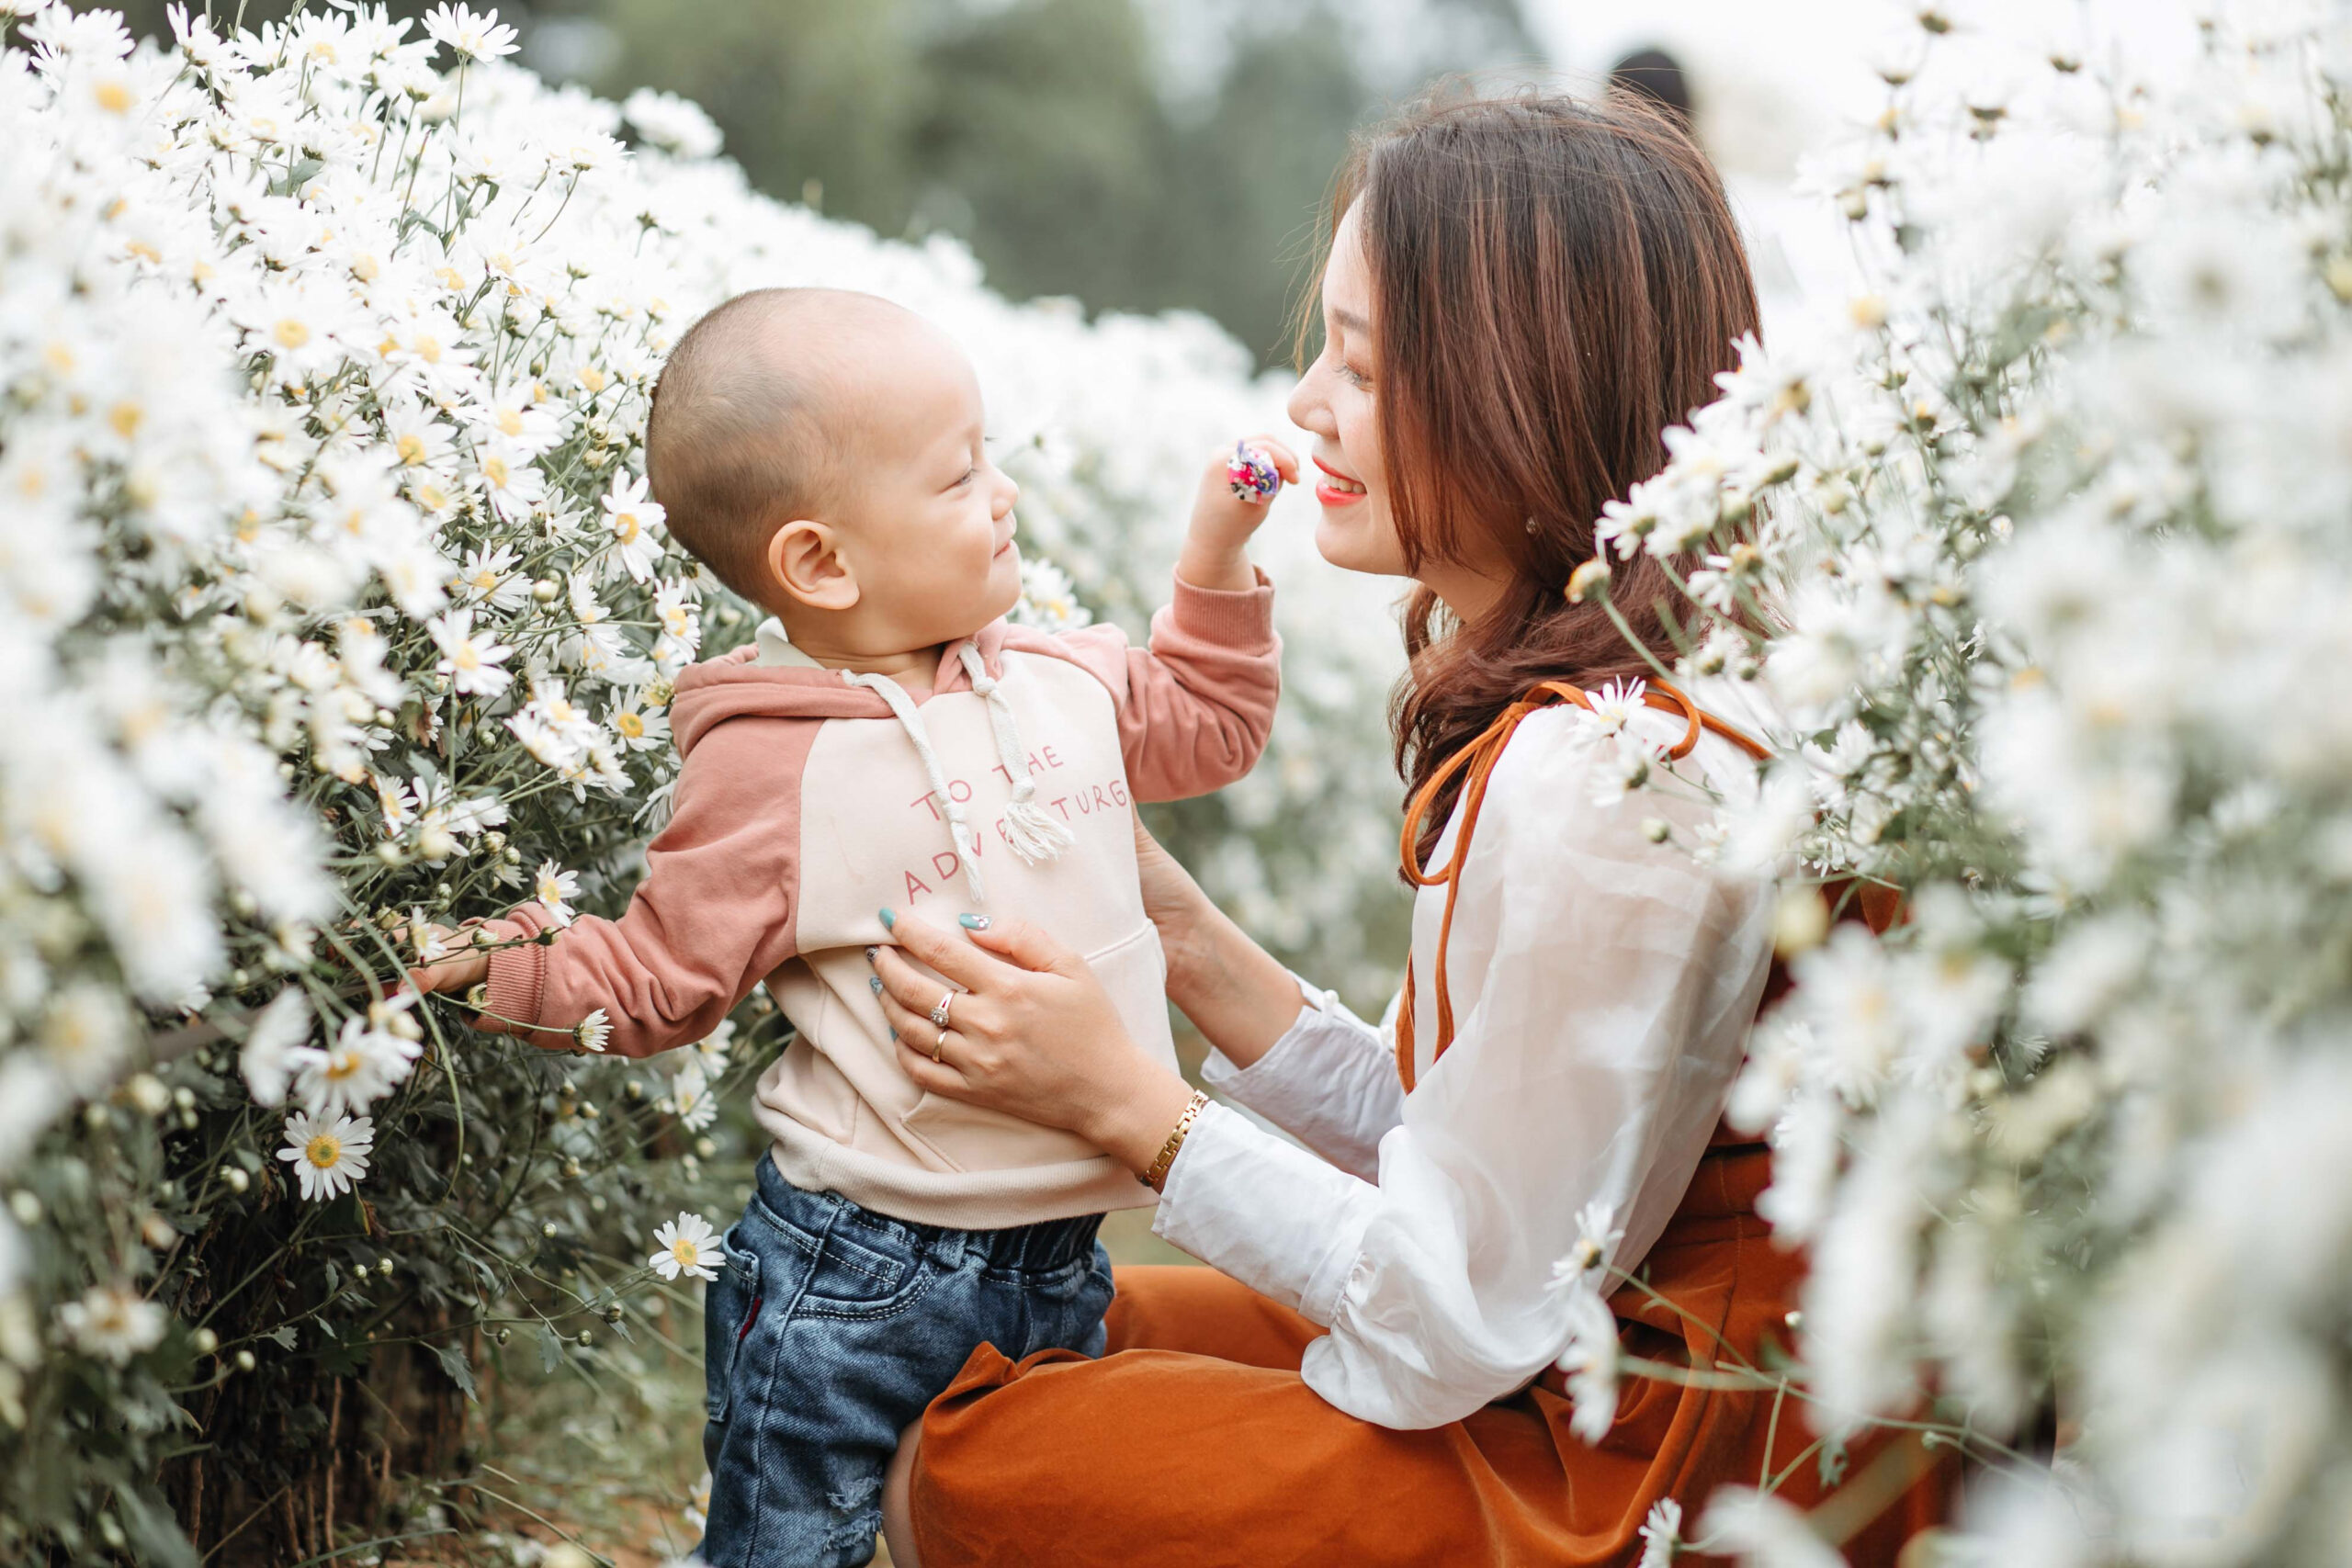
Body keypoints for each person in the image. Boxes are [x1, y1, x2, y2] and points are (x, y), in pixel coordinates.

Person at [860, 94, 1950, 1564]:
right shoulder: (1631, 698)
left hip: (1664, 1474)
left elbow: (1457, 1312)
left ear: (1523, 390)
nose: (1304, 404)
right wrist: (1173, 931)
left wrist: (1127, 1103)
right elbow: (1485, 1155)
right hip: (1593, 1355)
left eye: (1360, 364)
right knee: (1010, 1323)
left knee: (973, 1460)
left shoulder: (1620, 777)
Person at [404, 287, 1295, 1568]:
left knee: (1031, 1537)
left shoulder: (1061, 676)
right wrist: (492, 968)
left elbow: (1212, 730)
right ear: (823, 562)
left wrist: (1212, 565)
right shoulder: (776, 770)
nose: (1001, 496)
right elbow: (658, 975)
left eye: (987, 457)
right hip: (851, 1274)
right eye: (957, 477)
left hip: (1059, 1261)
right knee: (788, 1552)